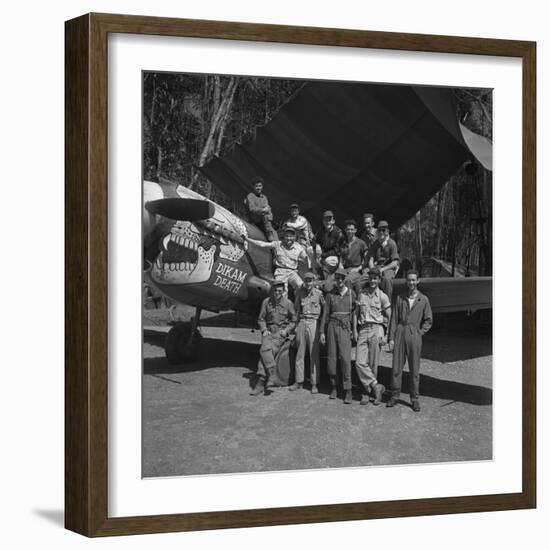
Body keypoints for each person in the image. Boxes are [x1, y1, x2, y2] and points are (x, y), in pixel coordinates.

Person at [386, 270, 433, 412]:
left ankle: (414, 398)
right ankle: (395, 395)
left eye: (414, 280)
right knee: (396, 367)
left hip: (414, 334)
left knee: (414, 369)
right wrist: (391, 338)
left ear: (418, 281)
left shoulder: (423, 299)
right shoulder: (400, 298)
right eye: (409, 280)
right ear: (406, 282)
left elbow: (429, 319)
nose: (411, 283)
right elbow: (394, 319)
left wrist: (420, 332)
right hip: (400, 331)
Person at [250, 280, 297, 396]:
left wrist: (286, 331)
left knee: (267, 350)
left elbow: (294, 320)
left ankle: (260, 382)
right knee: (264, 349)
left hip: (279, 334)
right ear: (272, 291)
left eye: (279, 291)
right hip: (269, 332)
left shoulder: (288, 303)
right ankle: (271, 374)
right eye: (275, 290)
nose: (277, 293)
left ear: (283, 291)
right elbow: (261, 318)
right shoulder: (266, 302)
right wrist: (264, 330)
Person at [353, 268, 390, 406]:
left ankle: (368, 394)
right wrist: (355, 331)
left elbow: (390, 315)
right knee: (359, 362)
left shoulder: (382, 296)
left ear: (379, 280)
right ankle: (376, 386)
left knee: (373, 364)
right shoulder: (361, 294)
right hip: (363, 329)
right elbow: (356, 313)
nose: (373, 281)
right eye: (371, 278)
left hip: (376, 329)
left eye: (375, 278)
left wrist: (386, 334)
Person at [320, 268, 356, 404]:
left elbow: (356, 313)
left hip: (345, 327)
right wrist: (322, 332)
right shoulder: (330, 295)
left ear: (345, 279)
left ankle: (348, 390)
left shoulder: (352, 294)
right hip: (332, 327)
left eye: (342, 278)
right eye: (337, 278)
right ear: (335, 279)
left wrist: (354, 329)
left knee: (346, 359)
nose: (340, 280)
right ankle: (334, 386)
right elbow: (325, 314)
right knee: (332, 358)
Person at [243, 226, 309, 295]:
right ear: (284, 237)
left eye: (291, 236)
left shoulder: (299, 247)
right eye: (287, 236)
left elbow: (306, 259)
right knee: (281, 291)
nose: (289, 238)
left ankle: (298, 303)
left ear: (294, 237)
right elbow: (262, 244)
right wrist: (247, 239)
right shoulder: (277, 244)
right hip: (281, 271)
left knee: (301, 287)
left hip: (292, 272)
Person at [290, 272, 325, 394]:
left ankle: (314, 383)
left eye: (310, 280)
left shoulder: (319, 294)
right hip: (302, 322)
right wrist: (296, 325)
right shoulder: (300, 293)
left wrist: (322, 329)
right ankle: (298, 381)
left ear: (314, 281)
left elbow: (325, 310)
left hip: (314, 323)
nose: (308, 283)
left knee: (313, 354)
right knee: (300, 353)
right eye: (306, 280)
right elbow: (296, 309)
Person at [367, 220, 400, 301]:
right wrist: (373, 270)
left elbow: (395, 262)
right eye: (379, 230)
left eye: (383, 230)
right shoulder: (375, 243)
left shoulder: (392, 243)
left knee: (387, 280)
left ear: (387, 231)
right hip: (376, 267)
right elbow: (371, 259)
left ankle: (387, 305)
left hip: (387, 268)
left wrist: (382, 269)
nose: (381, 232)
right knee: (363, 279)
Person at [244, 176, 278, 241]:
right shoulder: (250, 196)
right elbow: (252, 208)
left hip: (265, 221)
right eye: (256, 186)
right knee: (265, 216)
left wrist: (269, 214)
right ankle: (269, 235)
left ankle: (275, 245)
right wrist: (262, 210)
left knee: (275, 233)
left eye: (260, 186)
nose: (258, 188)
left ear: (262, 187)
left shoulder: (264, 197)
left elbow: (268, 209)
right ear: (253, 187)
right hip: (256, 221)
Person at [314, 210, 346, 278]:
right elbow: (314, 240)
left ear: (333, 221)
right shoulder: (320, 231)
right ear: (323, 221)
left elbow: (337, 250)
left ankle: (328, 277)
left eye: (329, 220)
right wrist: (317, 245)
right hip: (322, 255)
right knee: (309, 250)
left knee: (330, 262)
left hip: (333, 256)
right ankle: (317, 273)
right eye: (326, 220)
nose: (328, 222)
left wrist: (322, 256)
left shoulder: (338, 232)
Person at [341, 219, 368, 287]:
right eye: (348, 229)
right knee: (330, 283)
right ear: (345, 230)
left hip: (356, 270)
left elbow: (366, 259)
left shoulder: (361, 243)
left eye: (352, 229)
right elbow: (340, 259)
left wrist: (359, 268)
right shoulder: (343, 244)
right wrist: (340, 268)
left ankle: (350, 297)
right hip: (345, 270)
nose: (350, 231)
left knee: (347, 280)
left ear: (355, 230)